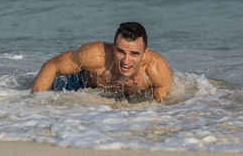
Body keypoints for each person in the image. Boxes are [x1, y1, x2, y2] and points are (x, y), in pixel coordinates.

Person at [32, 22, 172, 102]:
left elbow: (160, 107)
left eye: (134, 54)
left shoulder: (157, 69)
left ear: (145, 53)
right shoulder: (95, 55)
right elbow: (52, 65)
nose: (126, 60)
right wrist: (34, 105)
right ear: (113, 48)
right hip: (79, 85)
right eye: (121, 51)